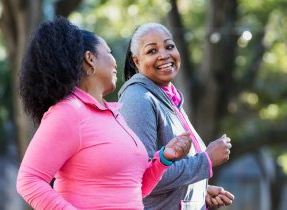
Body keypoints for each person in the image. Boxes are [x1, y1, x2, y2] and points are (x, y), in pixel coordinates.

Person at [16, 17, 193, 210]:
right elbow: (29, 180)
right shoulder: (68, 112)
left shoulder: (115, 115)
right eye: (108, 53)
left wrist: (164, 158)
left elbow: (133, 188)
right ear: (90, 58)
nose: (115, 62)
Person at [118, 23, 235, 210]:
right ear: (136, 61)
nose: (164, 55)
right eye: (152, 51)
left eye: (169, 46)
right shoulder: (139, 99)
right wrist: (206, 160)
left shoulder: (169, 97)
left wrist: (198, 192)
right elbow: (142, 177)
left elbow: (171, 173)